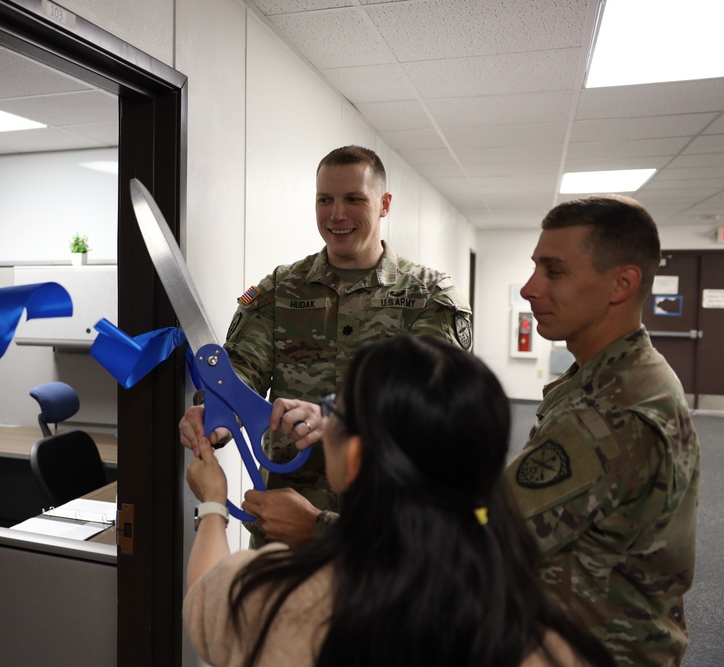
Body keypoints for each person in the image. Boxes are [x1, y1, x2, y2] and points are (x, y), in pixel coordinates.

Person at [183, 334, 616, 667]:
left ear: (353, 458)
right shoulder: (552, 639)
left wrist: (214, 505)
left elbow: (205, 596)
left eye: (333, 408)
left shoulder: (272, 595)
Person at [179, 145, 473, 546]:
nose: (337, 215)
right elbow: (240, 370)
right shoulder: (281, 289)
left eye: (354, 199)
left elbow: (434, 407)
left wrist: (339, 419)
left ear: (384, 204)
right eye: (325, 200)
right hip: (284, 523)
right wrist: (214, 412)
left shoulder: (429, 296)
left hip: (384, 530)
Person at [504, 195, 700, 666]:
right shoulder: (613, 373)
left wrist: (319, 528)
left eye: (554, 271)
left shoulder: (616, 409)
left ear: (621, 283)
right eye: (535, 268)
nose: (530, 289)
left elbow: (484, 533)